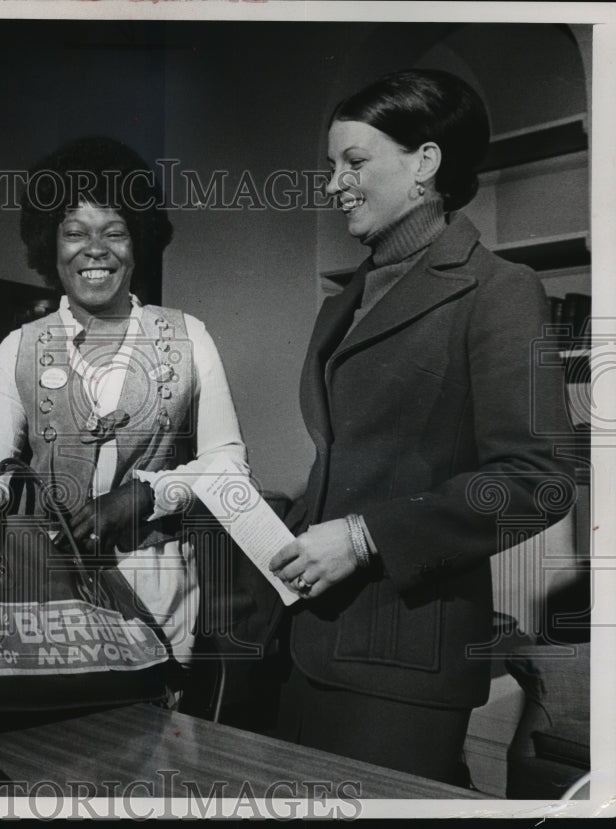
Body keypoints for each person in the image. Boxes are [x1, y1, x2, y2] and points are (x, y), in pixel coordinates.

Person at [267, 69, 574, 784]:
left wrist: (364, 534)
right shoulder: (346, 299)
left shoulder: (500, 291)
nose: (334, 183)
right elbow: (351, 460)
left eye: (354, 161)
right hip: (307, 639)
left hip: (405, 661)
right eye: (330, 166)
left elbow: (539, 482)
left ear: (426, 164)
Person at [0, 135, 248, 672]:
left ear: (137, 241)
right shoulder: (19, 348)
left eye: (114, 232)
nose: (94, 249)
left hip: (162, 593)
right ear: (50, 245)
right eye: (74, 232)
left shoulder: (189, 337)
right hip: (51, 595)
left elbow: (229, 465)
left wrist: (143, 496)